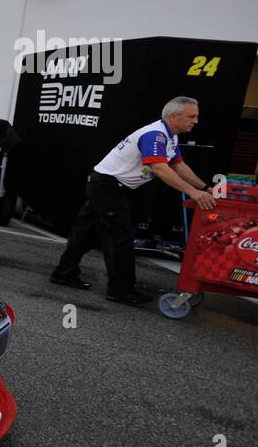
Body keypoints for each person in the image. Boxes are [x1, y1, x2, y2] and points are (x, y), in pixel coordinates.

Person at [50, 97, 215, 305]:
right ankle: (120, 291)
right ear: (174, 116)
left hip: (105, 183)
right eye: (192, 116)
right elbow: (161, 169)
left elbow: (179, 166)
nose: (196, 121)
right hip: (107, 186)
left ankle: (63, 273)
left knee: (85, 233)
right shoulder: (155, 135)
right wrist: (193, 192)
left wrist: (205, 188)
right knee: (121, 238)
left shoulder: (170, 136)